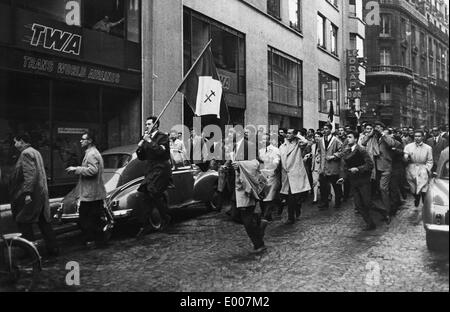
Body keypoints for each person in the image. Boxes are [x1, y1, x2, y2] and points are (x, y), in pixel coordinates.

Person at [10, 133, 58, 257]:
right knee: (43, 222)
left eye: (16, 141)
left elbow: (30, 175)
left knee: (23, 221)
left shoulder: (25, 153)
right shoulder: (35, 152)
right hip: (40, 193)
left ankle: (30, 251)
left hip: (33, 195)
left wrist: (27, 193)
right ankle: (53, 249)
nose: (15, 144)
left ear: (22, 141)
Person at [66, 131, 107, 248]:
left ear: (90, 141)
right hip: (94, 192)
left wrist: (76, 169)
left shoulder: (91, 154)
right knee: (94, 218)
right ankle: (98, 241)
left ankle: (90, 241)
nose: (80, 141)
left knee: (86, 219)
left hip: (90, 194)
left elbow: (93, 170)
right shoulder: (92, 152)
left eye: (83, 139)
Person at [135, 116, 172, 237]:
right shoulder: (146, 138)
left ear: (155, 125)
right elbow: (142, 157)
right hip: (150, 169)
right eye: (146, 124)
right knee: (144, 194)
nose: (146, 126)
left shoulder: (162, 137)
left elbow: (161, 152)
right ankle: (146, 224)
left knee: (153, 192)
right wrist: (140, 148)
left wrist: (150, 141)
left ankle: (166, 218)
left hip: (161, 169)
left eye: (149, 124)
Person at [338, 131, 376, 231]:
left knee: (367, 203)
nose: (348, 139)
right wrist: (343, 177)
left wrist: (358, 169)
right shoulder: (347, 151)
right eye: (347, 137)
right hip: (353, 181)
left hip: (364, 181)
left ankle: (384, 213)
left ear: (355, 139)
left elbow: (370, 165)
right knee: (359, 205)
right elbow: (344, 166)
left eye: (350, 137)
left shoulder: (361, 150)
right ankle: (370, 223)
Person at [362, 122, 396, 220]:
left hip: (385, 167)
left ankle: (388, 212)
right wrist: (369, 134)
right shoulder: (372, 137)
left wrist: (382, 133)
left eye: (378, 127)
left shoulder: (387, 136)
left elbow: (391, 143)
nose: (376, 128)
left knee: (383, 188)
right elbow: (363, 143)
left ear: (382, 128)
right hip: (374, 168)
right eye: (375, 127)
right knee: (375, 190)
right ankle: (380, 209)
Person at [232, 159, 267, 254]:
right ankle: (258, 222)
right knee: (235, 216)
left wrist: (239, 165)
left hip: (247, 192)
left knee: (247, 221)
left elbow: (254, 165)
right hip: (236, 191)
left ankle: (259, 245)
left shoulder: (250, 158)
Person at [279, 129, 311, 224]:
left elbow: (306, 142)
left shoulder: (298, 144)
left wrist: (298, 135)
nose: (287, 135)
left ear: (294, 135)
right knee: (289, 197)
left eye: (290, 133)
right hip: (286, 174)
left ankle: (296, 210)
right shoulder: (282, 146)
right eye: (287, 133)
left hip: (295, 173)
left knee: (294, 196)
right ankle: (291, 217)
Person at [404, 130, 433, 209]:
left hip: (423, 168)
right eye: (415, 136)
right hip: (411, 168)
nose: (417, 138)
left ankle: (424, 204)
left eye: (419, 136)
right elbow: (405, 156)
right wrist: (406, 158)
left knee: (423, 187)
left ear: (423, 137)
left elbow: (430, 161)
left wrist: (427, 169)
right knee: (413, 187)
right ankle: (416, 198)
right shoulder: (408, 146)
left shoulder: (428, 148)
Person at [317, 124, 343, 210]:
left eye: (326, 129)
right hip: (323, 167)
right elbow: (319, 151)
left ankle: (338, 202)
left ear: (330, 130)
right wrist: (318, 158)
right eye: (323, 129)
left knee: (336, 186)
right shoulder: (320, 140)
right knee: (323, 187)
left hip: (333, 167)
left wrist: (333, 156)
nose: (324, 130)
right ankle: (324, 202)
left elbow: (342, 151)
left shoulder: (336, 140)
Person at [259, 133, 281, 222]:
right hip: (262, 175)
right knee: (262, 195)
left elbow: (277, 160)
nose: (263, 141)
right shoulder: (260, 150)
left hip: (272, 175)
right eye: (262, 139)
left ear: (269, 140)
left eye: (265, 139)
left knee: (270, 196)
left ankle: (266, 215)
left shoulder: (275, 150)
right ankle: (265, 212)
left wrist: (274, 165)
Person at [310, 132, 323, 204]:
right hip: (314, 167)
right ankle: (315, 198)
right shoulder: (313, 146)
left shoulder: (324, 145)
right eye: (315, 136)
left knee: (323, 183)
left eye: (318, 136)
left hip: (322, 167)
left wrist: (320, 157)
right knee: (314, 182)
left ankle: (327, 195)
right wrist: (310, 155)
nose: (316, 138)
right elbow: (313, 154)